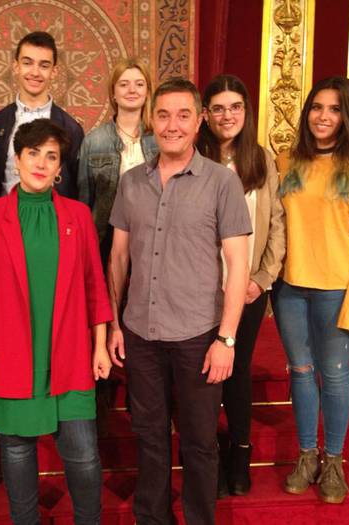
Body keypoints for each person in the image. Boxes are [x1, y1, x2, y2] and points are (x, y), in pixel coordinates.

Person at [107, 78, 252, 525]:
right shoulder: (131, 182)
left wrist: (226, 340)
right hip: (140, 333)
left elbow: (239, 265)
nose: (173, 125)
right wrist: (113, 324)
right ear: (152, 120)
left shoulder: (222, 183)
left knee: (199, 443)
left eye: (183, 115)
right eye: (164, 115)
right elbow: (118, 258)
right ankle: (152, 518)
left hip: (198, 336)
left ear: (199, 120)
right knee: (149, 437)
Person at [0, 119, 112, 525]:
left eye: (51, 156)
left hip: (70, 354)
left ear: (60, 166)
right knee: (17, 450)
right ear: (17, 158)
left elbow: (95, 286)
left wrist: (99, 345)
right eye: (33, 154)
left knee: (83, 455)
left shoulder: (78, 216)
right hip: (9, 355)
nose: (41, 164)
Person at [273, 76, 349, 504]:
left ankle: (334, 461)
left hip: (336, 289)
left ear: (347, 116)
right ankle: (307, 456)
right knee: (301, 372)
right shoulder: (287, 160)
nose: (323, 116)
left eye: (334, 109)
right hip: (289, 288)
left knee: (336, 375)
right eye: (317, 107)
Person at [197, 74, 285, 497]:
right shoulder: (196, 156)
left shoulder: (261, 160)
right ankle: (210, 455)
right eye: (218, 108)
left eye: (235, 107)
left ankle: (240, 453)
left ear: (246, 111)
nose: (227, 115)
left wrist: (261, 278)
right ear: (205, 115)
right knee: (204, 374)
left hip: (248, 287)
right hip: (201, 289)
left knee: (237, 370)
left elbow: (277, 223)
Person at [77, 57, 158, 264]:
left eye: (139, 84)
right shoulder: (94, 141)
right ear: (113, 92)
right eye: (124, 84)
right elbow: (84, 202)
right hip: (106, 239)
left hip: (152, 239)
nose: (132, 90)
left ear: (147, 91)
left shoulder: (160, 139)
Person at [0, 31, 84, 200]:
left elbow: (76, 188)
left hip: (52, 214)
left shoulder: (71, 129)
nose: (35, 72)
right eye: (27, 63)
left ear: (54, 71)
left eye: (44, 65)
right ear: (16, 66)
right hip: (5, 213)